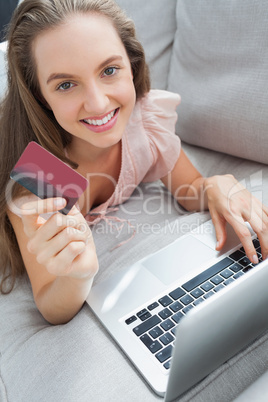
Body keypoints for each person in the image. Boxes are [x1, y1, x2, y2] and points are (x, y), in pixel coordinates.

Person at [0, 0, 267, 325]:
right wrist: (78, 275)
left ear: (132, 64)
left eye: (109, 70)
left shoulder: (142, 123)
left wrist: (217, 184)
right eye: (66, 85)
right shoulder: (42, 172)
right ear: (40, 95)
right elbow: (51, 303)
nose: (98, 104)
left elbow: (191, 188)